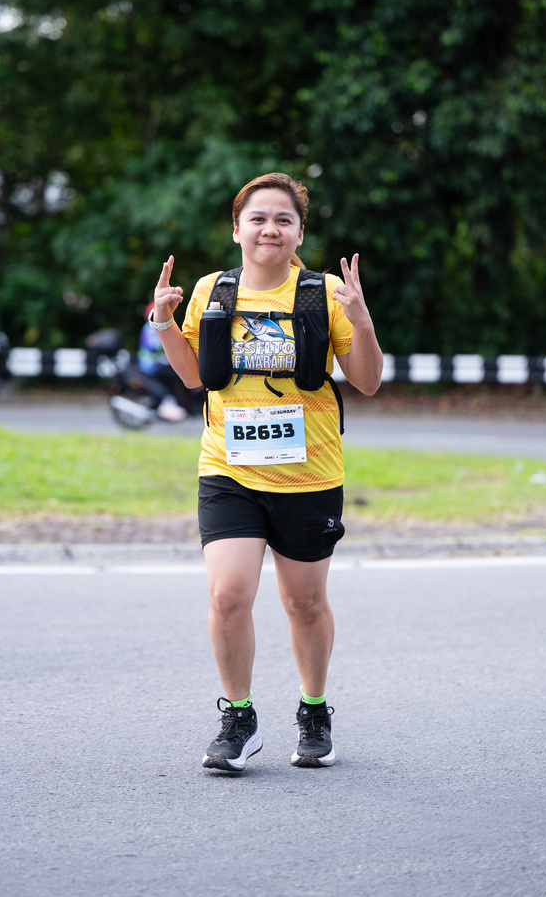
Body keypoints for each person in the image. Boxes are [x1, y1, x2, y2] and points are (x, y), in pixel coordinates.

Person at [151, 172, 382, 771]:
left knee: (304, 603)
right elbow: (194, 376)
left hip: (308, 474)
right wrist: (164, 324)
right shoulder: (213, 291)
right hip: (228, 469)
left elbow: (367, 381)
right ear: (237, 229)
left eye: (283, 219)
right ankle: (238, 716)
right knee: (228, 595)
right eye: (257, 218)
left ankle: (314, 709)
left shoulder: (325, 293)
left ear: (299, 232)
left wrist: (361, 319)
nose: (269, 229)